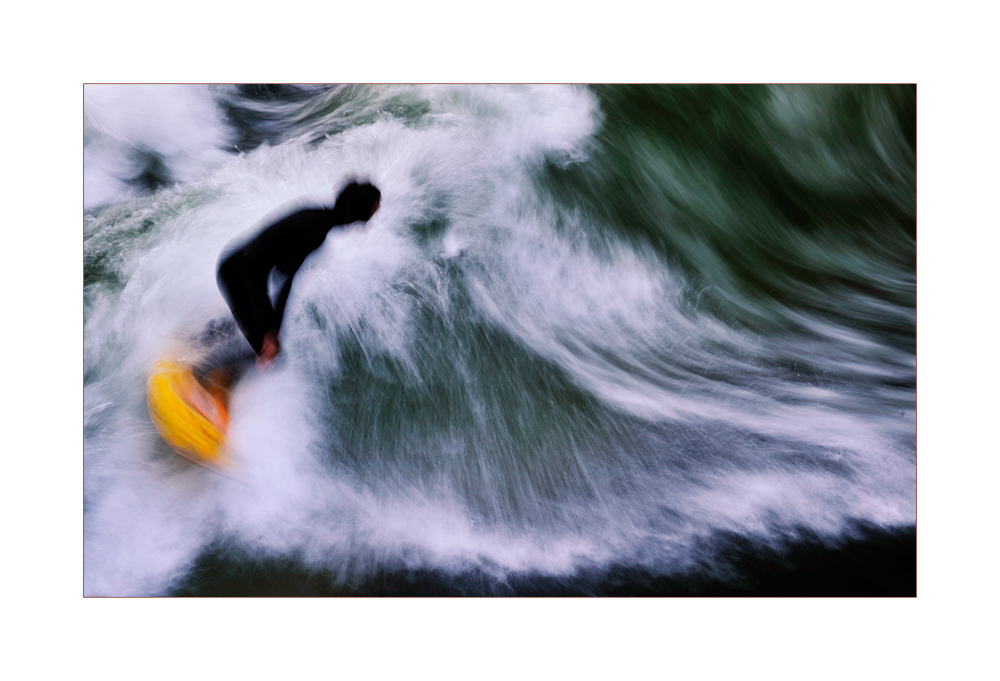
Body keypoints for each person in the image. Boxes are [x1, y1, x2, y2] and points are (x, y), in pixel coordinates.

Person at [194, 181, 381, 386]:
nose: (376, 212)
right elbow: (283, 277)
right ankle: (201, 372)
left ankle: (200, 343)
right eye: (375, 207)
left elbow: (276, 274)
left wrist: (271, 326)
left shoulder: (316, 215)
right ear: (360, 208)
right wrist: (272, 331)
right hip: (240, 276)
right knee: (270, 352)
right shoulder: (317, 230)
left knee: (251, 321)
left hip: (233, 265)